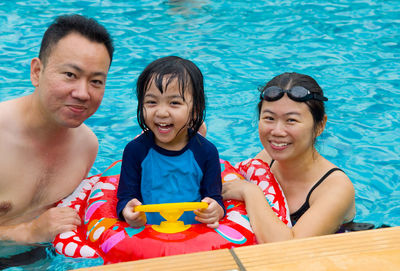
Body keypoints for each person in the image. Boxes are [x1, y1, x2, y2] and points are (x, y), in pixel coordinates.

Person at [0, 14, 113, 244]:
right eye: (70, 75)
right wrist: (30, 231)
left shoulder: (87, 146)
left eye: (96, 81)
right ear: (36, 72)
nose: (83, 93)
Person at [222, 72, 356, 243]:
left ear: (320, 125)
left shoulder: (335, 187)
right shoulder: (266, 160)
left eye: (291, 120)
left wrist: (250, 192)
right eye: (269, 118)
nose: (277, 131)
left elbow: (288, 250)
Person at [117, 56, 225, 228]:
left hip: (193, 237)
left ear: (195, 110)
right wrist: (128, 211)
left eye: (174, 103)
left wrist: (216, 210)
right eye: (151, 102)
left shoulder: (206, 152)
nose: (161, 112)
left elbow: (214, 198)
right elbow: (126, 198)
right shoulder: (135, 151)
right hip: (149, 237)